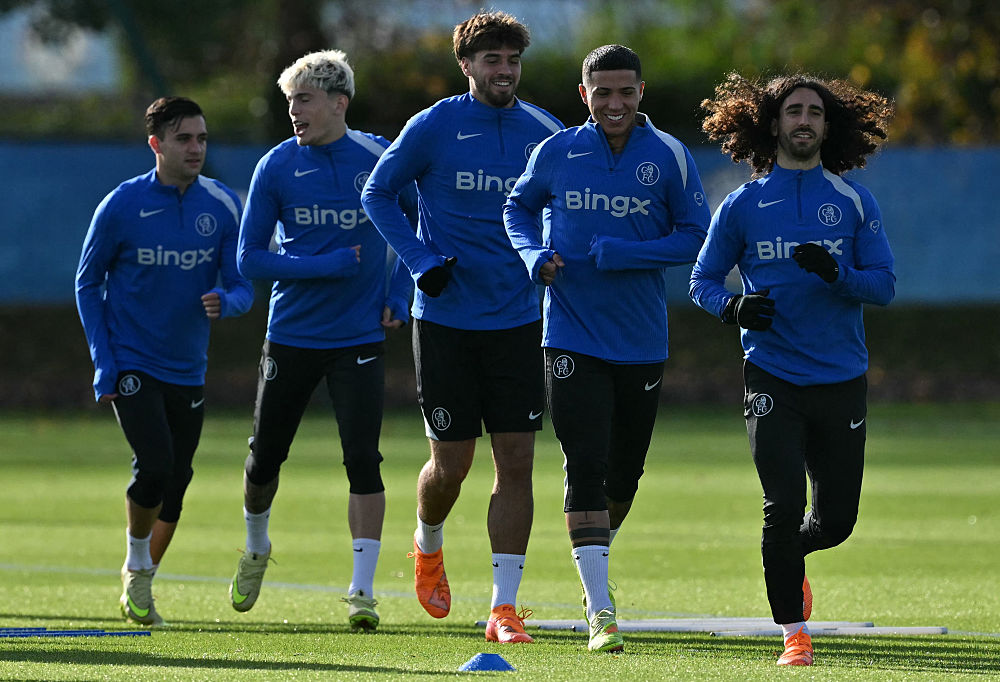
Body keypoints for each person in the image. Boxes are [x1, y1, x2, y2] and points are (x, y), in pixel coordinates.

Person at [361, 10, 562, 643]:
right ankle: (427, 542)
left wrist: (551, 255)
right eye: (492, 60)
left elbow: (563, 204)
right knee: (451, 466)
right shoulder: (436, 125)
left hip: (518, 321)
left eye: (512, 60)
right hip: (445, 319)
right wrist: (420, 262)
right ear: (467, 65)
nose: (504, 71)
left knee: (518, 463)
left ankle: (504, 608)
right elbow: (377, 194)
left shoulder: (544, 131)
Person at [504, 44, 711, 653]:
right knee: (585, 462)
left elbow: (695, 237)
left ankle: (591, 557)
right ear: (584, 94)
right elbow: (517, 207)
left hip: (641, 339)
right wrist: (532, 253)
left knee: (625, 474)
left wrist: (627, 255)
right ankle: (600, 609)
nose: (614, 103)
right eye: (603, 92)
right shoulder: (557, 151)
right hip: (568, 333)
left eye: (625, 92)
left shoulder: (669, 155)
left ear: (640, 92)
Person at [690, 72, 895, 666]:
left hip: (840, 377)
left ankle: (789, 558)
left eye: (814, 112)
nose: (803, 120)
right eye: (792, 110)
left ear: (829, 127)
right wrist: (732, 307)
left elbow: (882, 286)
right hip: (771, 372)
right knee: (780, 505)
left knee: (835, 522)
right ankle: (794, 634)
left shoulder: (853, 201)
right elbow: (701, 281)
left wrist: (837, 275)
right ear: (772, 123)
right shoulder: (743, 203)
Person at [229, 50, 416, 632]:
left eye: (304, 100)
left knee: (363, 458)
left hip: (358, 335)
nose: (293, 112)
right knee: (265, 460)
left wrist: (400, 292)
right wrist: (324, 265)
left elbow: (418, 229)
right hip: (291, 334)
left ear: (339, 102)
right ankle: (256, 546)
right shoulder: (277, 166)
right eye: (289, 101)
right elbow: (248, 258)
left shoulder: (379, 157)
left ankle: (362, 592)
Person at [75, 96, 253, 627]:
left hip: (188, 365)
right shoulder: (122, 205)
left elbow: (242, 283)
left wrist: (230, 302)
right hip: (132, 360)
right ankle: (136, 566)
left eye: (201, 138)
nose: (196, 148)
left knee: (177, 478)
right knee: (153, 464)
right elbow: (88, 284)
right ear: (156, 144)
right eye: (184, 139)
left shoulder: (221, 205)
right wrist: (104, 362)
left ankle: (142, 579)